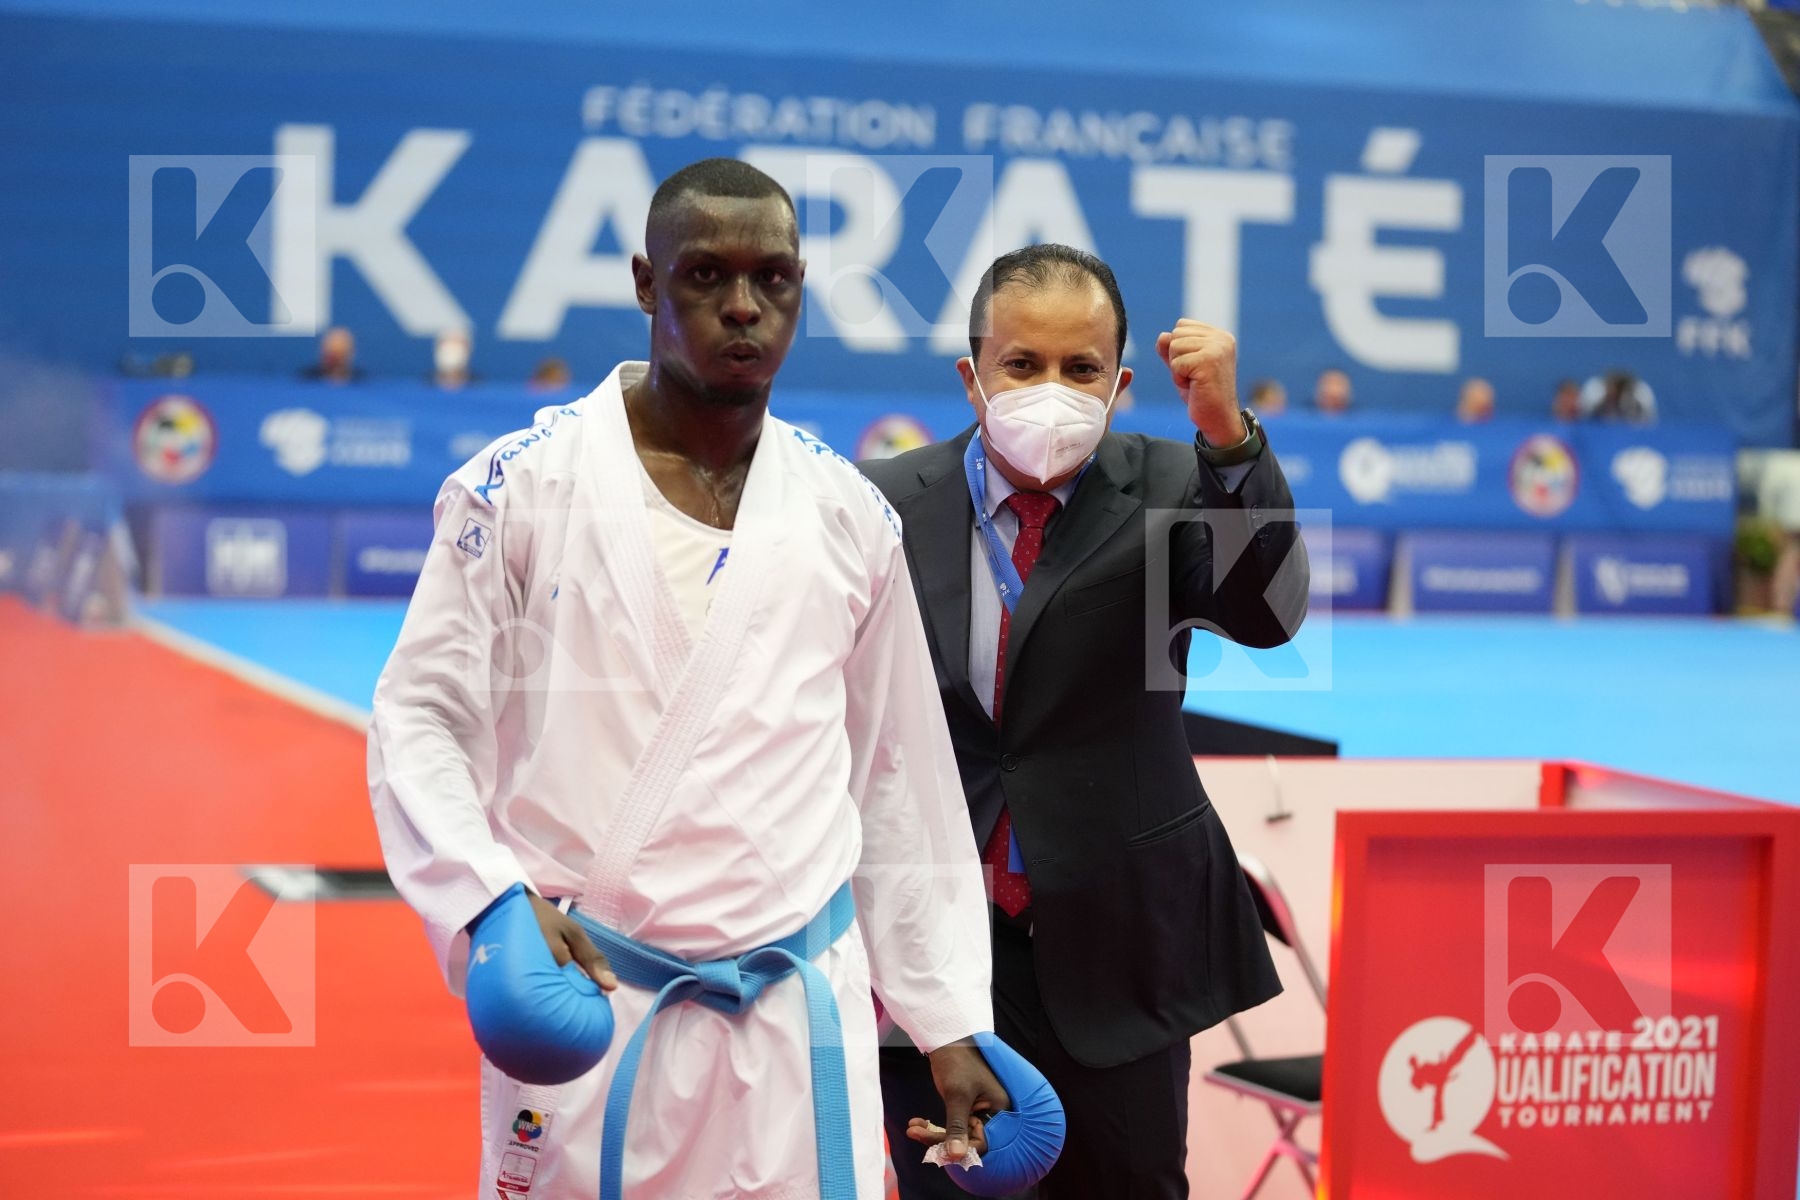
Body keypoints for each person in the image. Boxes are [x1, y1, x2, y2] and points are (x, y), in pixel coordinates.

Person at [368, 158, 1006, 1199]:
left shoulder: (848, 515)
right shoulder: (520, 487)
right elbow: (422, 716)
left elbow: (896, 776)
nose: (743, 306)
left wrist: (947, 1019)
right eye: (706, 275)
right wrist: (487, 899)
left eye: (773, 279)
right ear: (645, 283)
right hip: (594, 997)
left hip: (797, 1009)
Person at [861, 244, 1307, 1199]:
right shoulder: (885, 503)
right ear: (972, 376)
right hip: (938, 952)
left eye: (1081, 368)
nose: (1051, 390)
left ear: (1120, 384)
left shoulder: (1176, 484)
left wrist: (1229, 438)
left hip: (1118, 940)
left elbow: (1268, 617)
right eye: (1022, 365)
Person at [1579, 368, 1657, 423]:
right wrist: (1606, 400)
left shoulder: (1636, 397)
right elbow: (1587, 416)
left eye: (1617, 388)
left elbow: (1647, 420)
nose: (1614, 391)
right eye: (1611, 387)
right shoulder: (1597, 393)